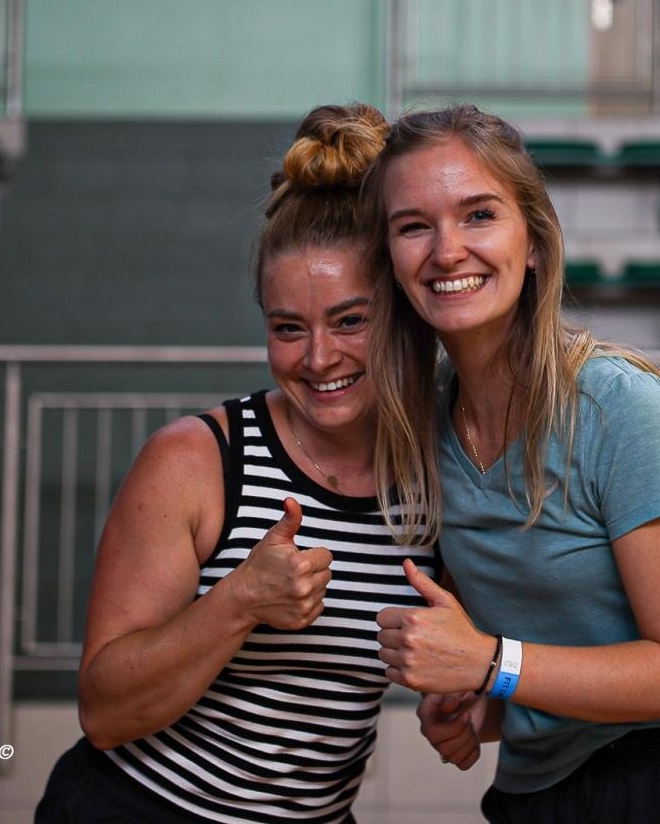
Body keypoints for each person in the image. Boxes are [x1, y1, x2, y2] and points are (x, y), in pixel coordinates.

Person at [362, 104, 660, 824]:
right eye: (414, 226)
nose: (446, 251)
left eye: (478, 215)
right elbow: (552, 654)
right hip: (545, 788)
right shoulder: (424, 428)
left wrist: (489, 665)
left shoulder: (616, 406)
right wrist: (479, 710)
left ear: (533, 242)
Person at [36, 103, 438, 824]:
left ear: (406, 314)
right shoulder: (197, 461)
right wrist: (241, 601)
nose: (318, 359)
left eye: (351, 321)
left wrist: (467, 701)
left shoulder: (441, 476)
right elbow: (104, 709)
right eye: (288, 329)